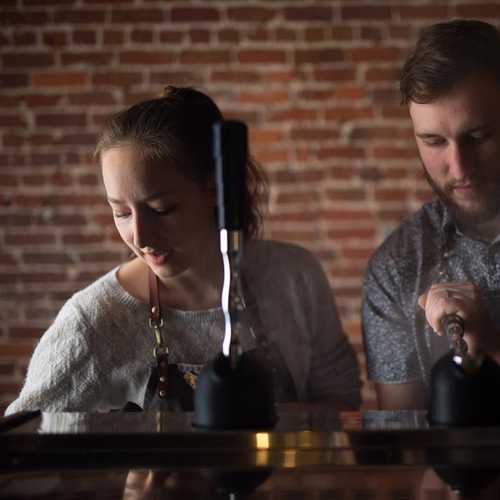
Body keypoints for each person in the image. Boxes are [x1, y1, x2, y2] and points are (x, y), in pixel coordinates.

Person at [6, 86, 361, 414]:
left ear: (213, 189)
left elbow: (341, 399)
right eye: (121, 212)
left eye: (162, 209)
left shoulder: (294, 275)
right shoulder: (94, 322)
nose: (140, 235)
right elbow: (21, 451)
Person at [362, 19, 500, 410]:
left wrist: (490, 342)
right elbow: (409, 443)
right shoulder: (395, 268)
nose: (459, 167)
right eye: (434, 141)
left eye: (478, 137)